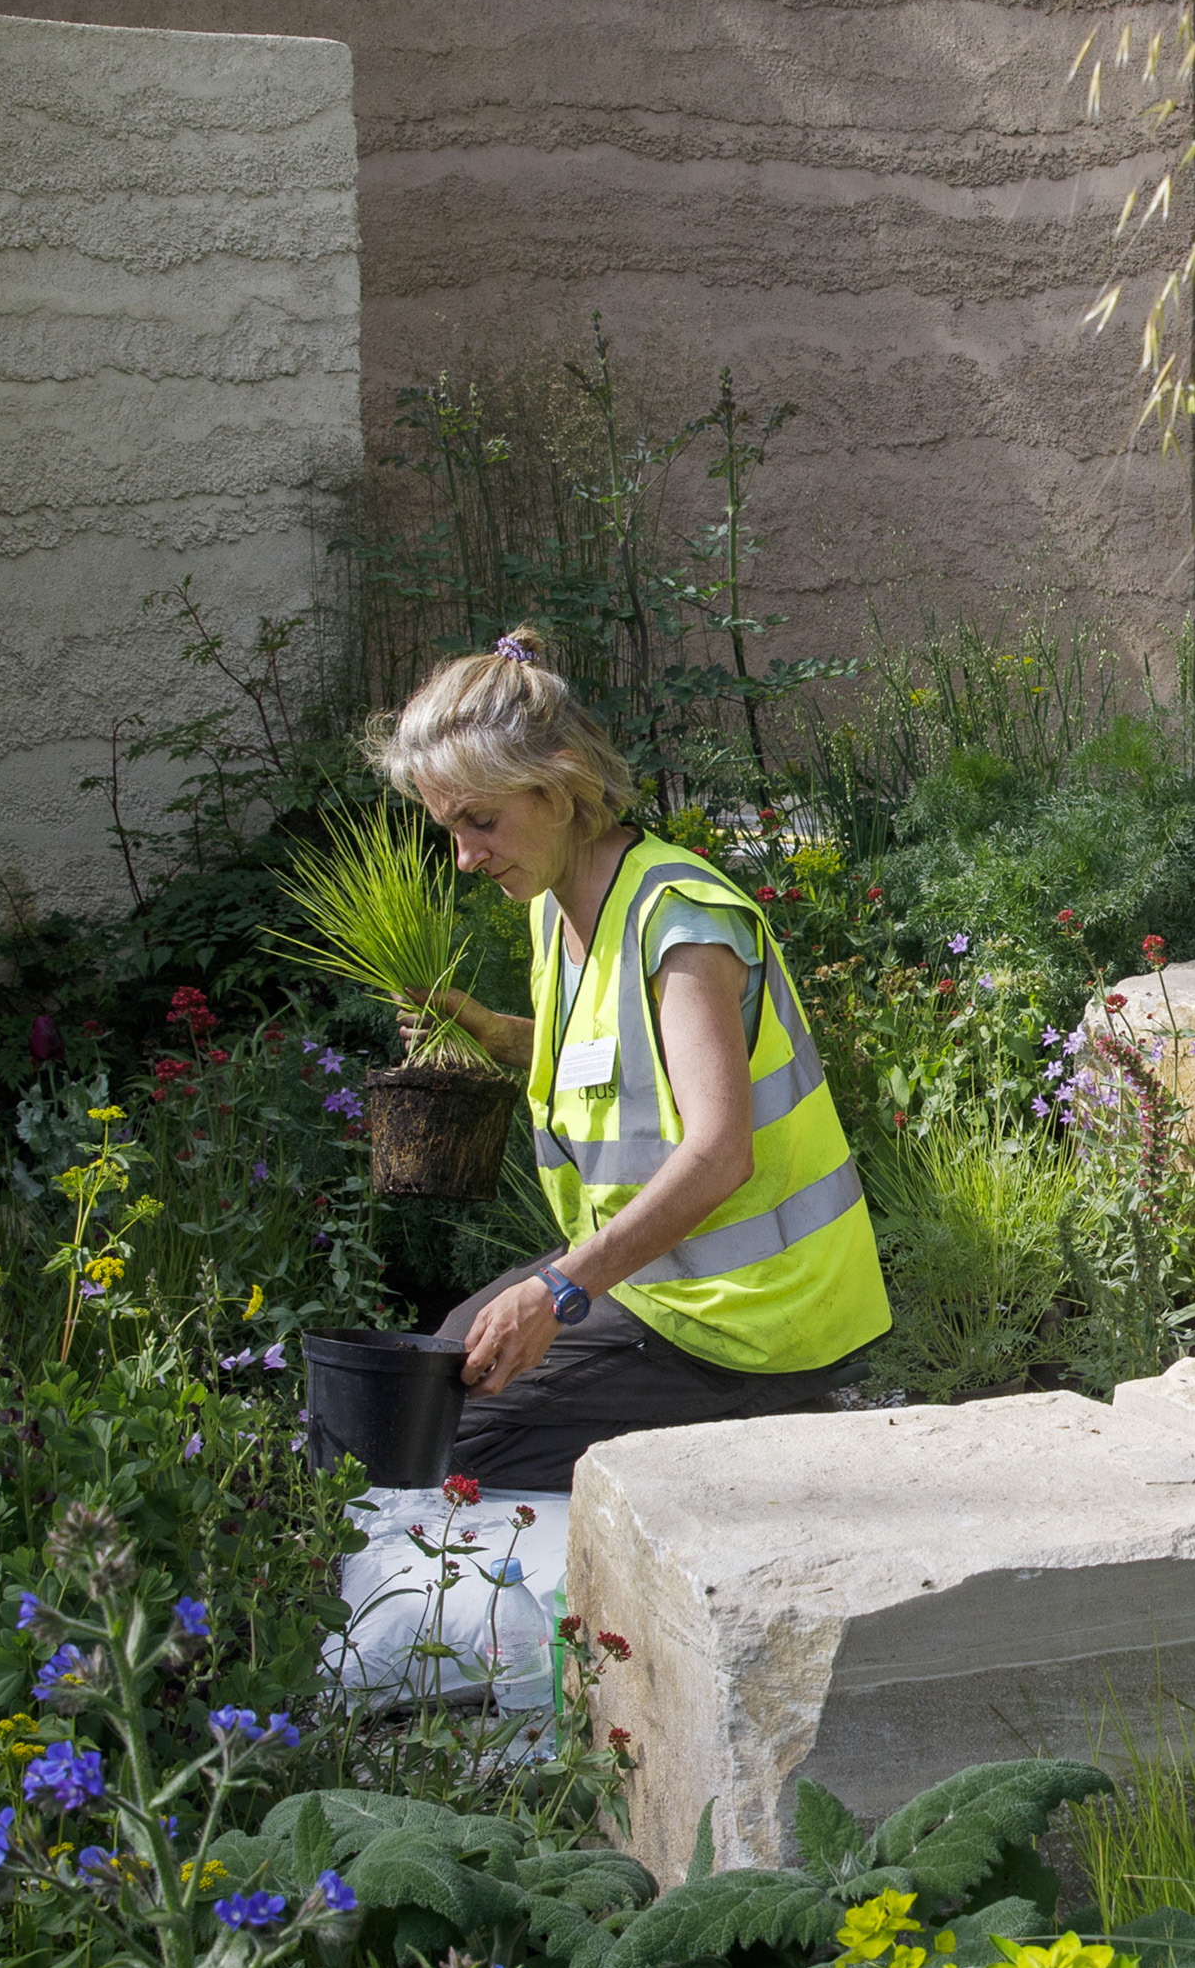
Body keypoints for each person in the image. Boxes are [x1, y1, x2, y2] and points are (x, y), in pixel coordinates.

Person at [364, 628, 887, 1487]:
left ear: (563, 786)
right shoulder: (555, 904)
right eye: (449, 827)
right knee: (438, 1364)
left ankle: (767, 1434)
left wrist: (561, 1292)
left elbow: (719, 1151)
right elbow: (624, 1066)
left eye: (481, 821)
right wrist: (497, 1034)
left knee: (447, 1443)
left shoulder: (679, 923)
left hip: (753, 1321)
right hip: (659, 1285)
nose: (465, 857)